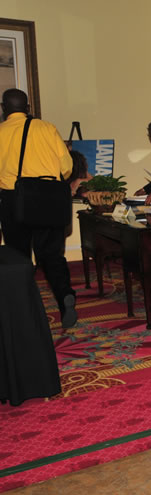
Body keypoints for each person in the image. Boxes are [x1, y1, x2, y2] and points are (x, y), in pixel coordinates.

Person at [0, 88, 78, 328]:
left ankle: (25, 311)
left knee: (20, 257)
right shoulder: (47, 128)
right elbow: (66, 166)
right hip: (48, 198)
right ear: (28, 108)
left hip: (14, 199)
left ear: (4, 109)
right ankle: (65, 297)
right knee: (52, 255)